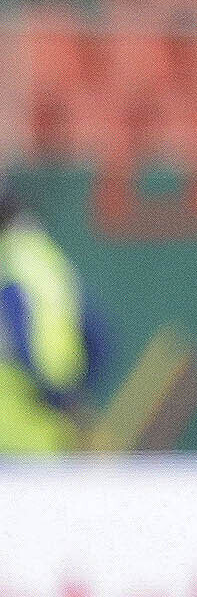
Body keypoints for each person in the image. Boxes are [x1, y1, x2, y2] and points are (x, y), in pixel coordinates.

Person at [0, 174, 95, 455]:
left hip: (22, 431)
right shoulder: (41, 254)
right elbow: (98, 331)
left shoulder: (14, 264)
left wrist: (58, 396)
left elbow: (25, 335)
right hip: (47, 433)